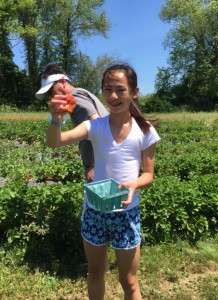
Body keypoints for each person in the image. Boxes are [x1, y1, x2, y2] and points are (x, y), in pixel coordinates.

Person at [47, 63, 160, 300]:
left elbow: (148, 174)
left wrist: (133, 185)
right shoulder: (95, 126)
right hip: (95, 210)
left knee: (128, 280)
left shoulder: (145, 131)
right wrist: (56, 119)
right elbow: (55, 142)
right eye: (107, 89)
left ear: (134, 91)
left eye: (120, 89)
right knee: (96, 272)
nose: (113, 96)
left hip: (126, 213)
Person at [35, 63, 109, 182]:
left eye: (51, 91)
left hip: (101, 166)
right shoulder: (79, 94)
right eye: (48, 95)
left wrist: (94, 166)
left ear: (63, 82)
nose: (51, 97)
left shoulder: (75, 97)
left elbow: (100, 129)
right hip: (104, 161)